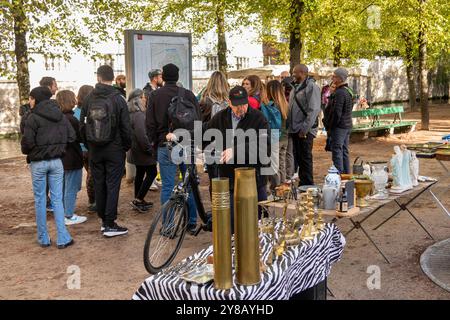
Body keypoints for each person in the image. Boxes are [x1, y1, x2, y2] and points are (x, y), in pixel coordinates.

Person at [146, 63, 200, 235]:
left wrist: (155, 142)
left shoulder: (155, 95)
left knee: (168, 186)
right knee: (189, 183)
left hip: (165, 145)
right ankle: (191, 222)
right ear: (177, 76)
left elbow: (150, 123)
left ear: (163, 76)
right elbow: (198, 120)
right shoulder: (189, 94)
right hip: (186, 144)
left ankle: (168, 226)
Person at [205, 86, 270, 224]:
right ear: (229, 103)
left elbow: (264, 147)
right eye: (237, 105)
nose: (241, 108)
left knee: (257, 222)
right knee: (232, 223)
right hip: (229, 179)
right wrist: (177, 136)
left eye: (244, 104)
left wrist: (235, 151)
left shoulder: (258, 118)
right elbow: (204, 132)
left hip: (254, 180)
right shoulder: (221, 117)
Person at [80, 65, 131, 238]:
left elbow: (82, 126)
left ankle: (104, 221)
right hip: (114, 149)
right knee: (113, 185)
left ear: (98, 77)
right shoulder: (118, 98)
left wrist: (89, 145)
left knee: (99, 183)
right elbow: (126, 127)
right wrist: (125, 146)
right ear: (112, 77)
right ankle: (110, 224)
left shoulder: (88, 99)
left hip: (95, 149)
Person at [21, 86, 75, 248]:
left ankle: (43, 238)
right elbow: (72, 136)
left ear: (36, 99)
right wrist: (58, 145)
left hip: (38, 163)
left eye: (30, 98)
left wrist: (35, 149)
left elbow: (27, 144)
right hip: (57, 161)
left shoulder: (32, 117)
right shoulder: (60, 115)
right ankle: (63, 237)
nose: (29, 101)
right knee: (57, 199)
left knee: (40, 200)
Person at [56, 90, 87, 225]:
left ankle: (62, 213)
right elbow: (79, 137)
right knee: (71, 187)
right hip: (72, 157)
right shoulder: (72, 119)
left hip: (60, 158)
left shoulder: (56, 118)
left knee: (62, 187)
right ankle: (68, 215)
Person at [287, 64, 321, 186]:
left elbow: (314, 110)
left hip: (304, 131)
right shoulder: (295, 87)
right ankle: (303, 184)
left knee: (305, 159)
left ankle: (308, 184)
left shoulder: (311, 87)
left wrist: (304, 129)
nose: (293, 75)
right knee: (300, 159)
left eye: (294, 72)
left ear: (302, 73)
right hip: (295, 129)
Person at [126, 89, 157, 213]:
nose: (145, 99)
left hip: (136, 150)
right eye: (143, 97)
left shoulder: (131, 114)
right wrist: (150, 149)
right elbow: (142, 135)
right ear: (138, 99)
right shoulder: (139, 115)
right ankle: (138, 199)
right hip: (142, 151)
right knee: (152, 172)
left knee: (140, 173)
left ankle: (138, 198)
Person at [261, 80, 289, 190]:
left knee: (274, 165)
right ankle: (283, 185)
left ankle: (276, 188)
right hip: (285, 137)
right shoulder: (285, 103)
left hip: (275, 137)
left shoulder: (270, 106)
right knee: (281, 163)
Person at [326, 68, 353, 174]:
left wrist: (331, 125)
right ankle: (346, 175)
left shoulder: (340, 92)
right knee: (344, 151)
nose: (332, 78)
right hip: (346, 125)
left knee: (337, 151)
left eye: (334, 76)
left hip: (340, 126)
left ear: (340, 78)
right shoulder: (347, 91)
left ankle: (339, 175)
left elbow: (337, 112)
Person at [73, 85, 96, 212]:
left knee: (89, 174)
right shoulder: (89, 111)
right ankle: (92, 201)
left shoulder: (75, 112)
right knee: (92, 175)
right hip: (89, 148)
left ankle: (93, 200)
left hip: (79, 150)